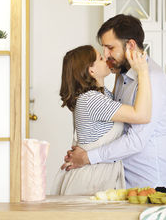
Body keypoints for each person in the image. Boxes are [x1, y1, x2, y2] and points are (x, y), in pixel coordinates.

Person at [62, 14, 166, 193]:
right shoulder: (121, 75)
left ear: (130, 45)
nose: (106, 55)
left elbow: (136, 140)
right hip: (123, 182)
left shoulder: (151, 80)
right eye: (103, 50)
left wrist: (87, 156)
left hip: (153, 184)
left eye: (110, 48)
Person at [51, 44, 152, 195]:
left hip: (97, 175)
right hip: (90, 180)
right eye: (100, 58)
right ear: (91, 71)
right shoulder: (91, 99)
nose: (106, 58)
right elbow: (141, 115)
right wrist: (143, 71)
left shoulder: (103, 94)